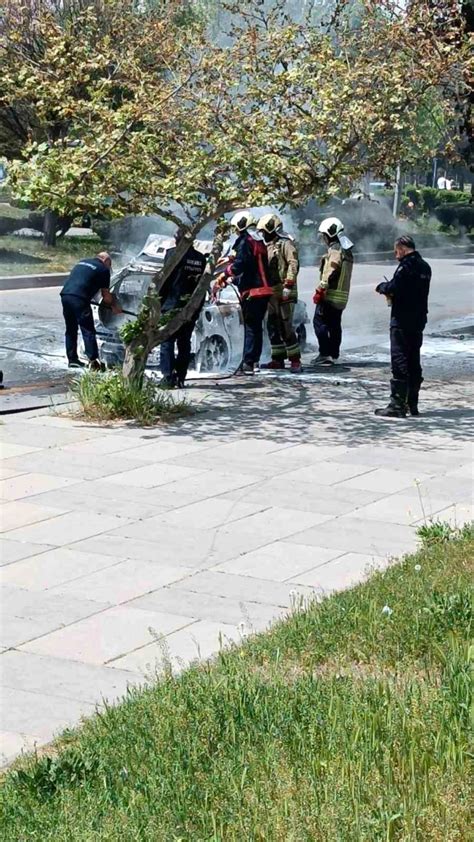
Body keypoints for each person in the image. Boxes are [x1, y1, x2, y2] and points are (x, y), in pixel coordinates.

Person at [374, 235, 431, 417]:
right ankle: (412, 403)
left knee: (400, 360)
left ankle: (397, 405)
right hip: (418, 320)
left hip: (402, 320)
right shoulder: (425, 266)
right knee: (414, 360)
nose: (395, 254)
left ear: (403, 248)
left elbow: (395, 287)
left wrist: (382, 287)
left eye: (396, 251)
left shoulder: (406, 267)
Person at [218, 211, 273, 375]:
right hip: (265, 290)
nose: (235, 231)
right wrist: (234, 281)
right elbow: (253, 268)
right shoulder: (258, 240)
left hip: (253, 292)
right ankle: (254, 361)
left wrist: (225, 273)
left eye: (235, 228)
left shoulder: (245, 241)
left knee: (250, 327)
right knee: (256, 327)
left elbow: (240, 265)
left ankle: (248, 362)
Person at [159, 228, 207, 388]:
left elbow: (164, 280)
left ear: (177, 239)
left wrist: (157, 303)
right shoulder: (200, 258)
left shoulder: (172, 254)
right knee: (184, 342)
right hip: (191, 306)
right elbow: (202, 285)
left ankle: (167, 377)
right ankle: (180, 377)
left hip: (171, 305)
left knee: (166, 340)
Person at [256, 212, 302, 373]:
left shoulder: (285, 244)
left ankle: (295, 360)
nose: (263, 235)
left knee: (286, 327)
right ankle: (278, 359)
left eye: (264, 232)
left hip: (284, 292)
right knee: (272, 326)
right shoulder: (266, 246)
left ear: (272, 230)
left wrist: (288, 285)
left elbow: (293, 264)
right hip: (271, 292)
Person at [60, 251, 120, 369]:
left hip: (66, 295)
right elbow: (106, 296)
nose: (110, 267)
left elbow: (83, 281)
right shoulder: (103, 270)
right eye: (110, 264)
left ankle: (72, 360)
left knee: (71, 329)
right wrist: (114, 306)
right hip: (80, 299)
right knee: (88, 330)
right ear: (106, 261)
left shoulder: (82, 262)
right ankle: (94, 362)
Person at [312, 217, 354, 365]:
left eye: (324, 235)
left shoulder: (336, 249)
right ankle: (334, 353)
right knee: (335, 324)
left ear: (329, 234)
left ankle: (324, 354)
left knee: (319, 322)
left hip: (331, 295)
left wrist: (321, 287)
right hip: (341, 297)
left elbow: (332, 268)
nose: (323, 239)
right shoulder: (346, 250)